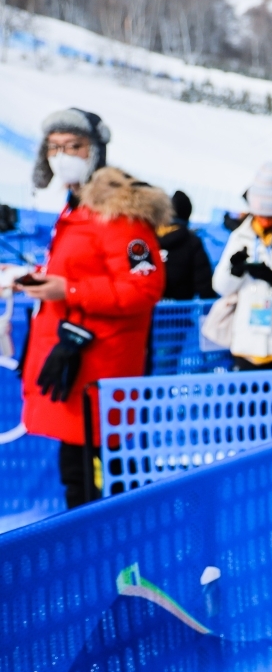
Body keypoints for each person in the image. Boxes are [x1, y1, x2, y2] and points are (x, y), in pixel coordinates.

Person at [19, 133, 166, 507]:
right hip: (72, 366)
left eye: (73, 146)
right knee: (76, 475)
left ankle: (114, 559)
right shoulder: (75, 212)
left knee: (100, 482)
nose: (61, 156)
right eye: (53, 147)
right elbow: (76, 271)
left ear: (95, 151)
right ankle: (92, 557)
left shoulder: (121, 216)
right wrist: (34, 277)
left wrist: (67, 291)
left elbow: (142, 288)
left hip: (100, 372)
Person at [212, 162, 272, 370]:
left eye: (271, 216)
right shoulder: (240, 235)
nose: (266, 222)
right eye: (262, 216)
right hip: (247, 344)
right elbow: (220, 287)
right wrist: (235, 271)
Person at [156, 190, 216, 300]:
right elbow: (204, 281)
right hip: (180, 311)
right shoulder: (192, 242)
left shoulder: (148, 237)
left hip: (147, 307)